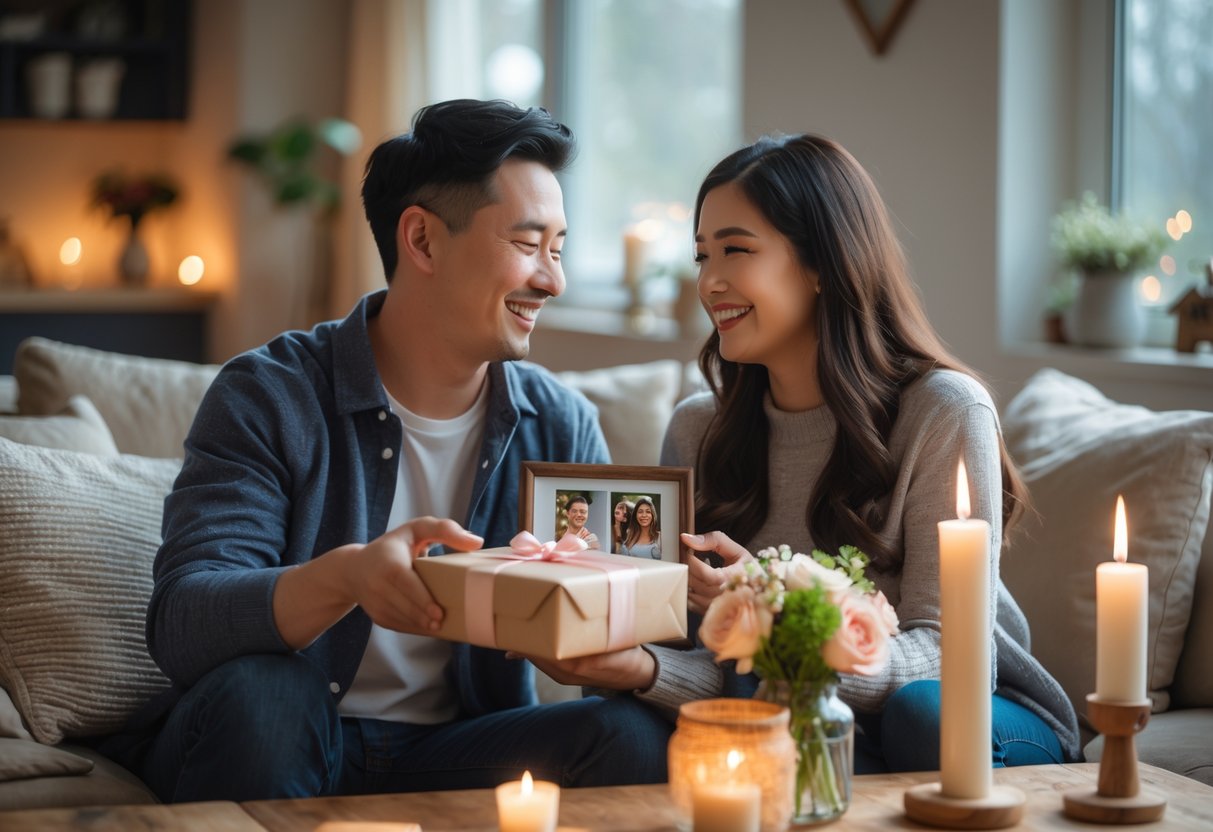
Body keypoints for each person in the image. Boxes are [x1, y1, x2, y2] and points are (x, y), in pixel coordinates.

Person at [98, 99, 671, 803]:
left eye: (557, 249)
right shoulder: (270, 394)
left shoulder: (558, 421)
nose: (552, 281)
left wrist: (610, 620)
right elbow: (184, 623)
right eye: (528, 246)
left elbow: (622, 625)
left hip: (458, 746)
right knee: (271, 694)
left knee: (630, 735)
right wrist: (345, 578)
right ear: (422, 241)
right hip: (282, 730)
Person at [529, 134, 1081, 774]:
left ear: (822, 262)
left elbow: (946, 664)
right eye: (702, 254)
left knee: (919, 718)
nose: (710, 281)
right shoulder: (696, 429)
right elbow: (732, 683)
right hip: (794, 713)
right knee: (621, 725)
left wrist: (766, 606)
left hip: (971, 716)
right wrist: (642, 666)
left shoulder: (944, 410)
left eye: (736, 249)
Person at [619, 495, 662, 559]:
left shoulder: (660, 538)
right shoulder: (628, 542)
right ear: (635, 516)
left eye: (648, 512)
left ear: (653, 515)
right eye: (640, 512)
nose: (644, 515)